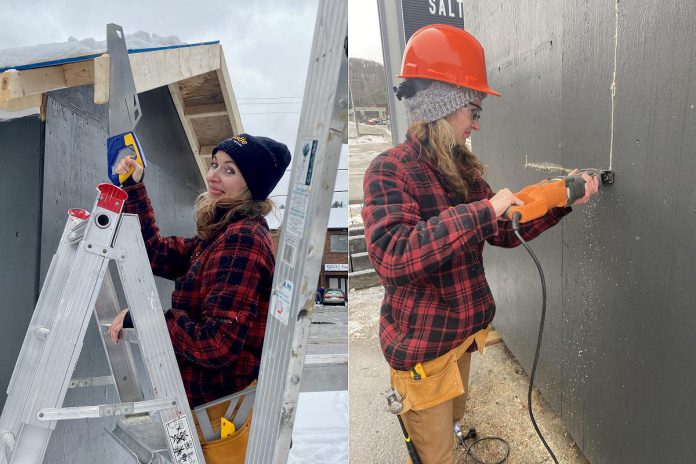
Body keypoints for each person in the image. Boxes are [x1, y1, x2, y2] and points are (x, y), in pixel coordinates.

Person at [361, 24, 598, 464]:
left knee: (454, 418)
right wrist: (482, 212)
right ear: (442, 104)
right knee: (437, 454)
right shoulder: (389, 170)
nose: (476, 123)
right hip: (422, 350)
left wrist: (560, 197)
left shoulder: (462, 171)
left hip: (460, 338)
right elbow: (393, 255)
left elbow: (504, 231)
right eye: (473, 109)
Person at [108, 133, 291, 463]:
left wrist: (148, 321)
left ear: (253, 185)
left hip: (220, 417)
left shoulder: (243, 240)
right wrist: (134, 186)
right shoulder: (217, 238)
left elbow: (217, 343)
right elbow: (157, 253)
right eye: (214, 164)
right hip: (196, 408)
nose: (213, 175)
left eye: (230, 170)